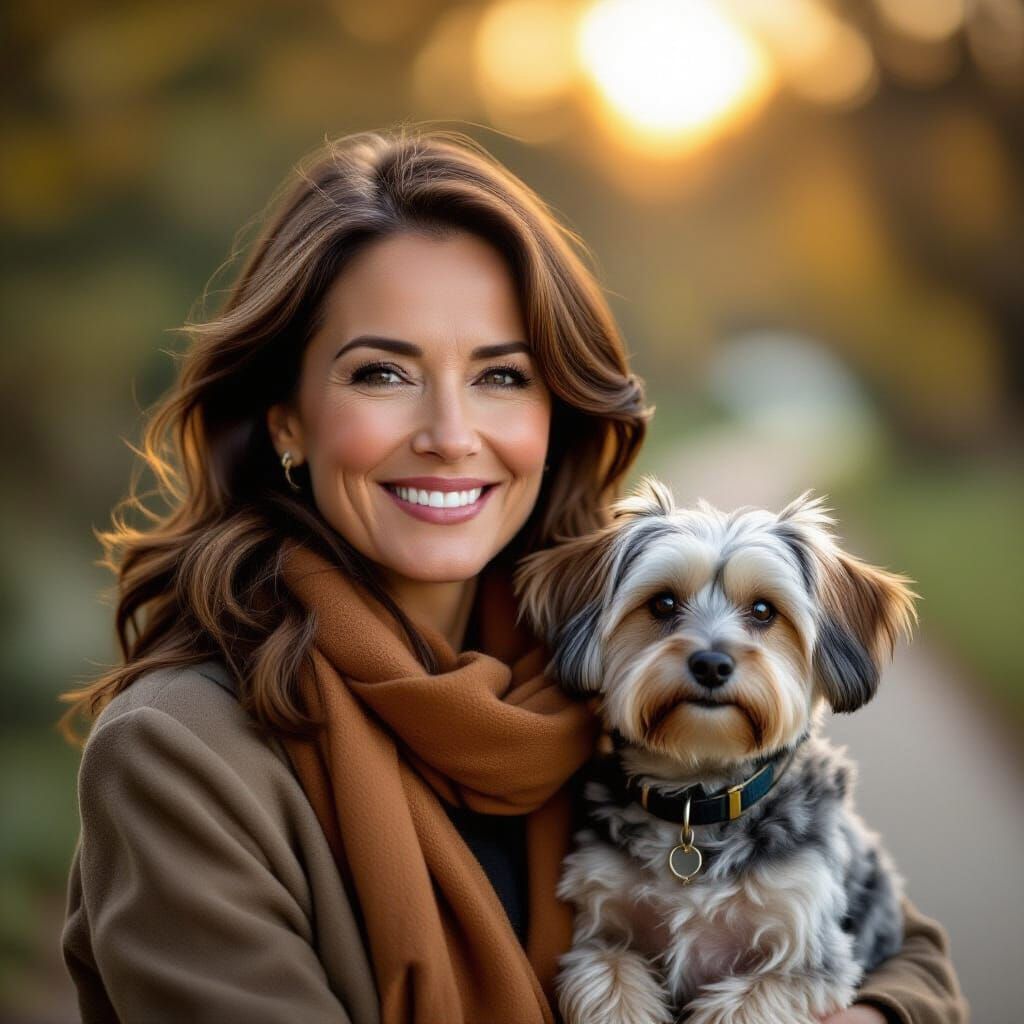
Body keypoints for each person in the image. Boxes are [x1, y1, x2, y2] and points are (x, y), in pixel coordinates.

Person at [58, 127, 967, 1024]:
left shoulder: (589, 680)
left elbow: (908, 954)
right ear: (287, 420)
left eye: (500, 376)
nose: (451, 434)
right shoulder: (181, 755)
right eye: (381, 372)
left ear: (554, 414)